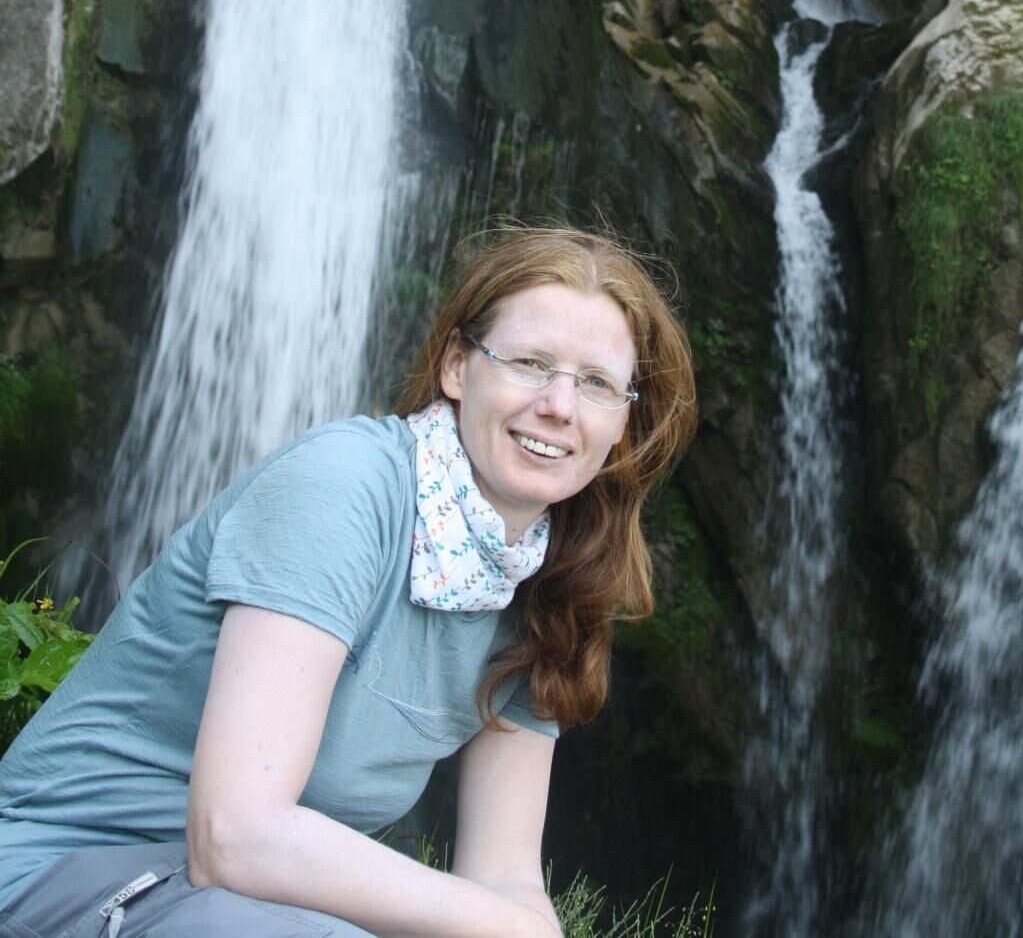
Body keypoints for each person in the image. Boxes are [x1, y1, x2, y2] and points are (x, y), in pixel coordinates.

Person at [0, 226, 697, 937]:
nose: (560, 404)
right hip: (63, 872)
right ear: (457, 367)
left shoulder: (551, 581)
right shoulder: (343, 486)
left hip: (242, 909)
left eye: (596, 383)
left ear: (623, 421)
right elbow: (235, 834)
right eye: (529, 362)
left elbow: (504, 877)